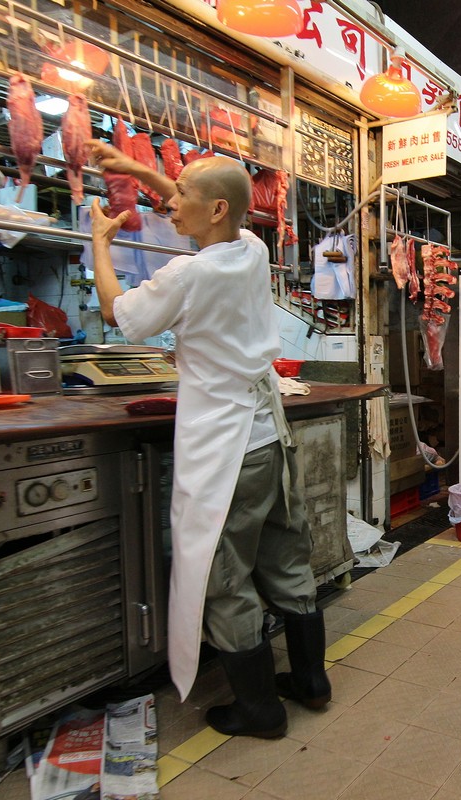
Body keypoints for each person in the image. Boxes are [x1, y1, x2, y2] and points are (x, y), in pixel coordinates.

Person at [87, 140, 330, 739]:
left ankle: (259, 710)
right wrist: (139, 170)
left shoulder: (188, 273)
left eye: (184, 195)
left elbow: (121, 313)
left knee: (224, 577)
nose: (172, 206)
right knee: (285, 558)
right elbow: (188, 200)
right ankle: (310, 682)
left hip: (226, 448)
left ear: (216, 210)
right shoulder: (249, 247)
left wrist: (98, 243)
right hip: (267, 438)